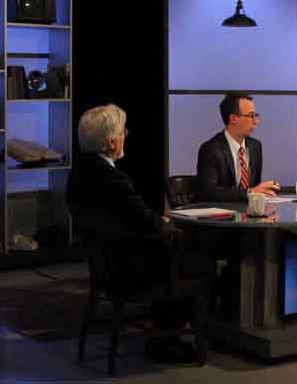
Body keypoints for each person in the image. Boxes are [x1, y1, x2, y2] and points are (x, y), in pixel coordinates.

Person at [67, 104, 208, 364]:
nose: (126, 135)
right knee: (198, 264)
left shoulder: (79, 174)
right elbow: (145, 222)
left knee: (175, 254)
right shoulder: (112, 179)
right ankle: (166, 340)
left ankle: (165, 335)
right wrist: (167, 226)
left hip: (105, 268)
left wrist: (156, 222)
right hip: (127, 270)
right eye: (123, 132)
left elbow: (130, 217)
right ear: (111, 142)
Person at [195, 92, 280, 202]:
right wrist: (249, 193)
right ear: (233, 118)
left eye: (256, 115)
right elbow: (208, 191)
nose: (256, 121)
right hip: (222, 214)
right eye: (251, 116)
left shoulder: (255, 146)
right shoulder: (210, 148)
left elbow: (254, 187)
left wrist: (264, 190)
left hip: (249, 213)